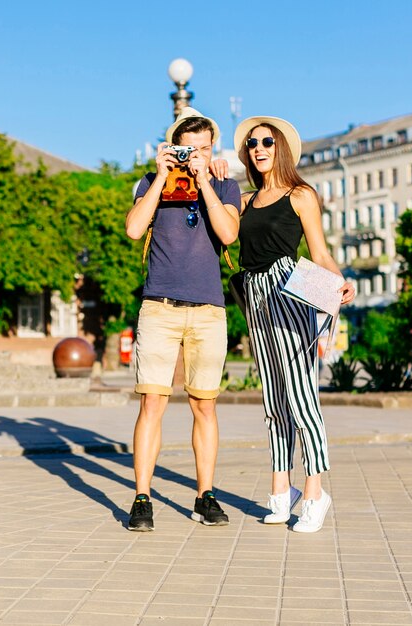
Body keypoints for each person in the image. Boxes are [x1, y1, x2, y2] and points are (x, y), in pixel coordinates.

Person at [233, 116, 355, 532]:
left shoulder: (301, 195)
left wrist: (340, 282)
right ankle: (281, 492)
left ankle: (316, 494)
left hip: (289, 289)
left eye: (267, 141)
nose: (258, 148)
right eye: (252, 144)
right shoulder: (246, 201)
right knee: (273, 400)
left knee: (302, 397)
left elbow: (319, 253)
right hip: (255, 296)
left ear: (280, 147)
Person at [125, 107, 241, 531]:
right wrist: (159, 175)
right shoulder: (151, 181)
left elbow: (229, 234)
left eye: (204, 149)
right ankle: (142, 497)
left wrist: (206, 180)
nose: (195, 156)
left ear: (213, 150)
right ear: (173, 148)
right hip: (160, 306)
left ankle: (204, 495)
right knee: (152, 402)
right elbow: (135, 229)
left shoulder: (226, 184)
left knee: (204, 406)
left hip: (208, 310)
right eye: (187, 149)